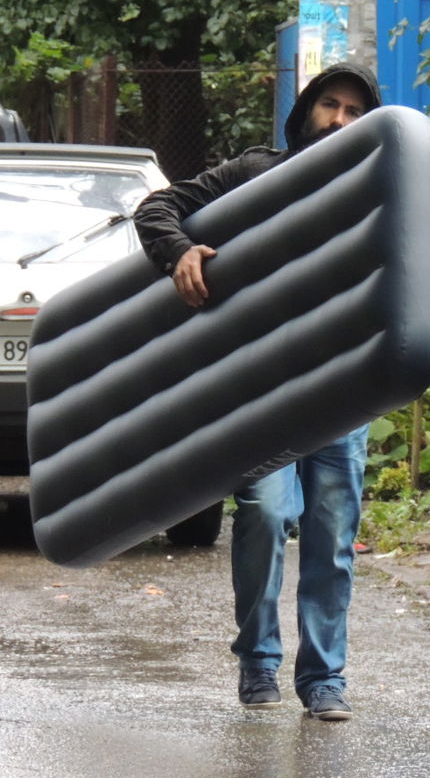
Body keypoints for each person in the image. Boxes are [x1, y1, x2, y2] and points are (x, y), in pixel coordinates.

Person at [133, 61, 381, 721]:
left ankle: (325, 678)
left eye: (356, 113)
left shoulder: (375, 190)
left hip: (344, 388)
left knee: (331, 534)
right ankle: (257, 659)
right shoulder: (253, 173)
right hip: (264, 388)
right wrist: (179, 251)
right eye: (330, 105)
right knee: (266, 515)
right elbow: (157, 206)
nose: (340, 121)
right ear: (305, 113)